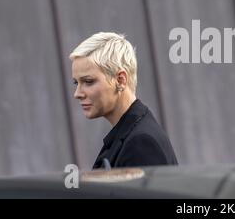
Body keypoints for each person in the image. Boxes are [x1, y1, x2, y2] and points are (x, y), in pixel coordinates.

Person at [69, 32, 178, 169]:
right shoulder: (131, 136)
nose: (77, 93)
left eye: (88, 81)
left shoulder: (141, 144)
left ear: (120, 80)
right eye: (76, 83)